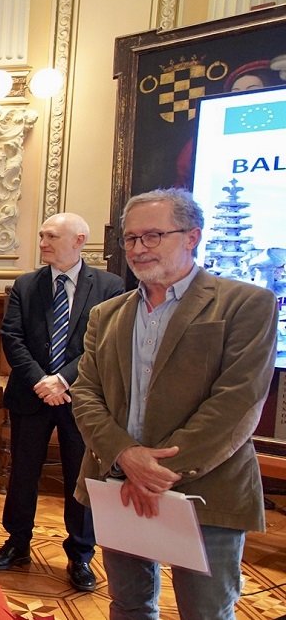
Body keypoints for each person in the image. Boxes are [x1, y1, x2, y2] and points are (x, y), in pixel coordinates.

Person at [73, 188, 277, 619]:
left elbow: (237, 403)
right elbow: (86, 393)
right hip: (119, 483)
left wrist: (155, 471)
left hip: (206, 489)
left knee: (205, 612)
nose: (138, 248)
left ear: (192, 236)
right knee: (129, 606)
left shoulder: (246, 304)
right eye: (130, 238)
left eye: (153, 236)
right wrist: (126, 456)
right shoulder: (106, 315)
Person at [0, 213, 125, 592]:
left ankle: (80, 554)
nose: (43, 242)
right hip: (31, 394)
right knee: (23, 472)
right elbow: (12, 337)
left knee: (81, 477)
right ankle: (17, 543)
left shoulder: (110, 286)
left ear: (79, 240)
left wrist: (62, 379)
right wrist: (42, 381)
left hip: (82, 399)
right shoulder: (26, 285)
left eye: (51, 236)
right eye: (42, 235)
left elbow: (104, 344)